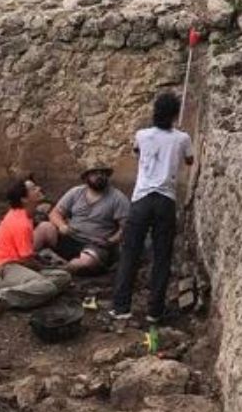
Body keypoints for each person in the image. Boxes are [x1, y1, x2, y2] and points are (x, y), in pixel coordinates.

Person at [110, 92, 194, 325]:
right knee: (162, 257)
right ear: (175, 114)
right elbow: (189, 161)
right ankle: (155, 311)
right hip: (165, 201)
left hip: (141, 200)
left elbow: (137, 154)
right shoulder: (182, 138)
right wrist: (179, 140)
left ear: (155, 111)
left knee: (130, 253)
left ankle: (121, 308)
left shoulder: (142, 135)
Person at [0, 178, 71, 317]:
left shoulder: (24, 215)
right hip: (2, 269)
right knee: (46, 286)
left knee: (63, 277)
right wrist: (44, 268)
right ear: (24, 199)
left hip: (17, 266)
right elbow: (27, 259)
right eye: (34, 189)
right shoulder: (20, 222)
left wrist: (48, 269)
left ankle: (30, 291)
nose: (39, 189)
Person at [34, 165, 129, 275]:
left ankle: (60, 270)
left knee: (86, 262)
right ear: (86, 177)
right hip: (70, 239)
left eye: (102, 173)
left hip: (95, 245)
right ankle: (25, 259)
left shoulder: (117, 198)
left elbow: (126, 227)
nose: (99, 176)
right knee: (44, 227)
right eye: (95, 173)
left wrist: (110, 241)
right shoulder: (76, 192)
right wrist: (62, 226)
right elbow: (55, 213)